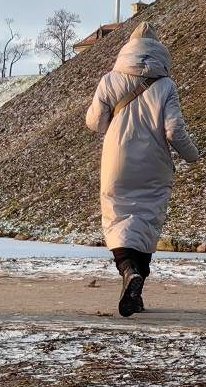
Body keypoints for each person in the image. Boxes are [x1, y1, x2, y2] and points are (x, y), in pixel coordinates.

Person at [84, 22, 199, 316]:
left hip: (116, 160)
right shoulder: (166, 85)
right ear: (159, 51)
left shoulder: (110, 80)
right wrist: (192, 155)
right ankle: (136, 287)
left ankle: (128, 271)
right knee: (147, 222)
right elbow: (173, 131)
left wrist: (117, 128)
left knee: (117, 218)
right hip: (155, 163)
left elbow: (94, 123)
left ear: (128, 49)